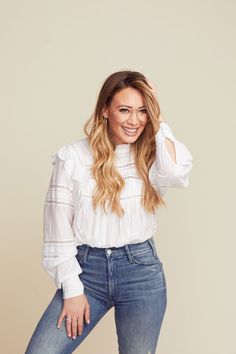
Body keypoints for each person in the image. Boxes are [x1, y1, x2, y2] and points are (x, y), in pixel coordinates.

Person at [25, 70, 193, 354]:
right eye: (124, 110)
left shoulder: (152, 156)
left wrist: (159, 117)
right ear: (105, 110)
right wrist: (73, 290)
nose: (135, 120)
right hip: (86, 272)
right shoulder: (73, 158)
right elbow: (58, 231)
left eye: (142, 111)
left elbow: (177, 173)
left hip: (141, 271)